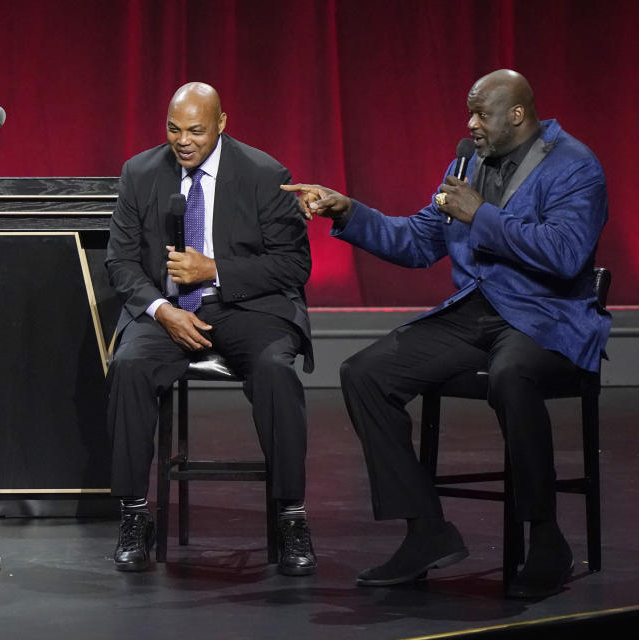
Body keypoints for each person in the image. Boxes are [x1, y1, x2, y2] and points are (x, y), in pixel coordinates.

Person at [282, 69, 609, 598]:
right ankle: (426, 529)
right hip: (477, 311)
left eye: (482, 113)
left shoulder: (575, 165)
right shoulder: (467, 161)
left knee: (512, 376)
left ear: (518, 115)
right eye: (469, 112)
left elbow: (566, 254)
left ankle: (546, 538)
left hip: (548, 316)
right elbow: (418, 241)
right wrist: (348, 211)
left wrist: (481, 214)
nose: (470, 123)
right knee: (365, 372)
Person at [105, 82, 316, 575]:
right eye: (174, 129)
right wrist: (162, 309)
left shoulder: (265, 175)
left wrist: (214, 270)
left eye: (196, 130)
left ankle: (291, 515)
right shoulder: (140, 174)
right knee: (130, 365)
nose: (183, 141)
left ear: (222, 123)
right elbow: (121, 262)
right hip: (171, 310)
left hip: (247, 308)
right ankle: (134, 514)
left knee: (274, 372)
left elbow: (294, 264)